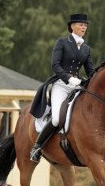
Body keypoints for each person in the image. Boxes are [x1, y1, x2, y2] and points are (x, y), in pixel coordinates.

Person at [30, 13, 95, 162]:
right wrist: (68, 78)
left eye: (85, 25)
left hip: (77, 85)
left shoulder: (86, 49)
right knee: (56, 119)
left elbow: (91, 71)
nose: (84, 27)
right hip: (61, 84)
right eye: (81, 24)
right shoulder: (62, 42)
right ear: (72, 26)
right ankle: (37, 146)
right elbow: (55, 65)